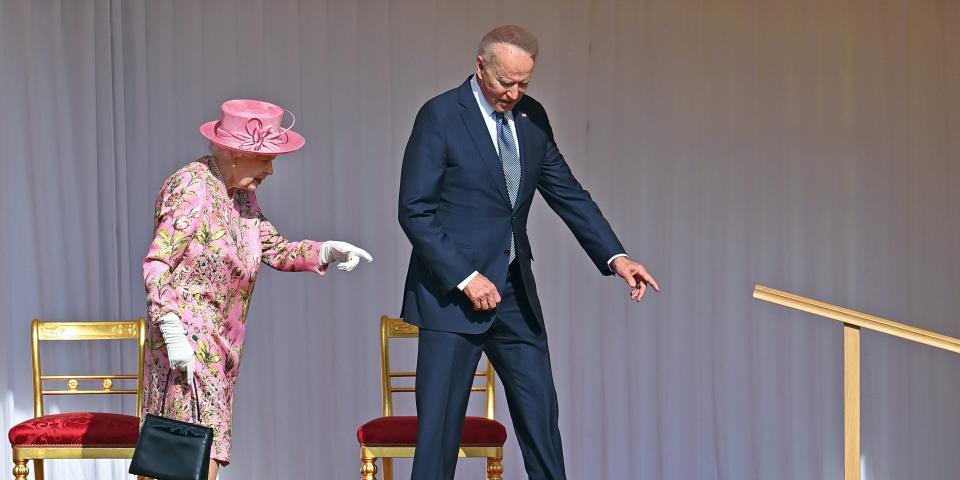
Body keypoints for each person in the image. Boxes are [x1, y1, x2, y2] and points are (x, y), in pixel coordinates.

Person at [398, 25, 660, 479]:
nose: (514, 93)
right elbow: (414, 211)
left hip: (515, 296)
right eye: (506, 82)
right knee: (439, 438)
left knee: (542, 425)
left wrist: (617, 257)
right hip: (452, 298)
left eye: (524, 83)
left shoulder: (532, 119)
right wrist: (465, 277)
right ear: (480, 67)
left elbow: (568, 194)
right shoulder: (440, 115)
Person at [142, 98, 372, 479]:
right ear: (235, 153)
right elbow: (158, 262)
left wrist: (327, 250)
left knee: (192, 448)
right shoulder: (192, 186)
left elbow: (277, 250)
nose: (270, 169)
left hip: (220, 346)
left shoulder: (241, 196)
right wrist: (171, 329)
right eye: (265, 158)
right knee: (191, 450)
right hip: (186, 342)